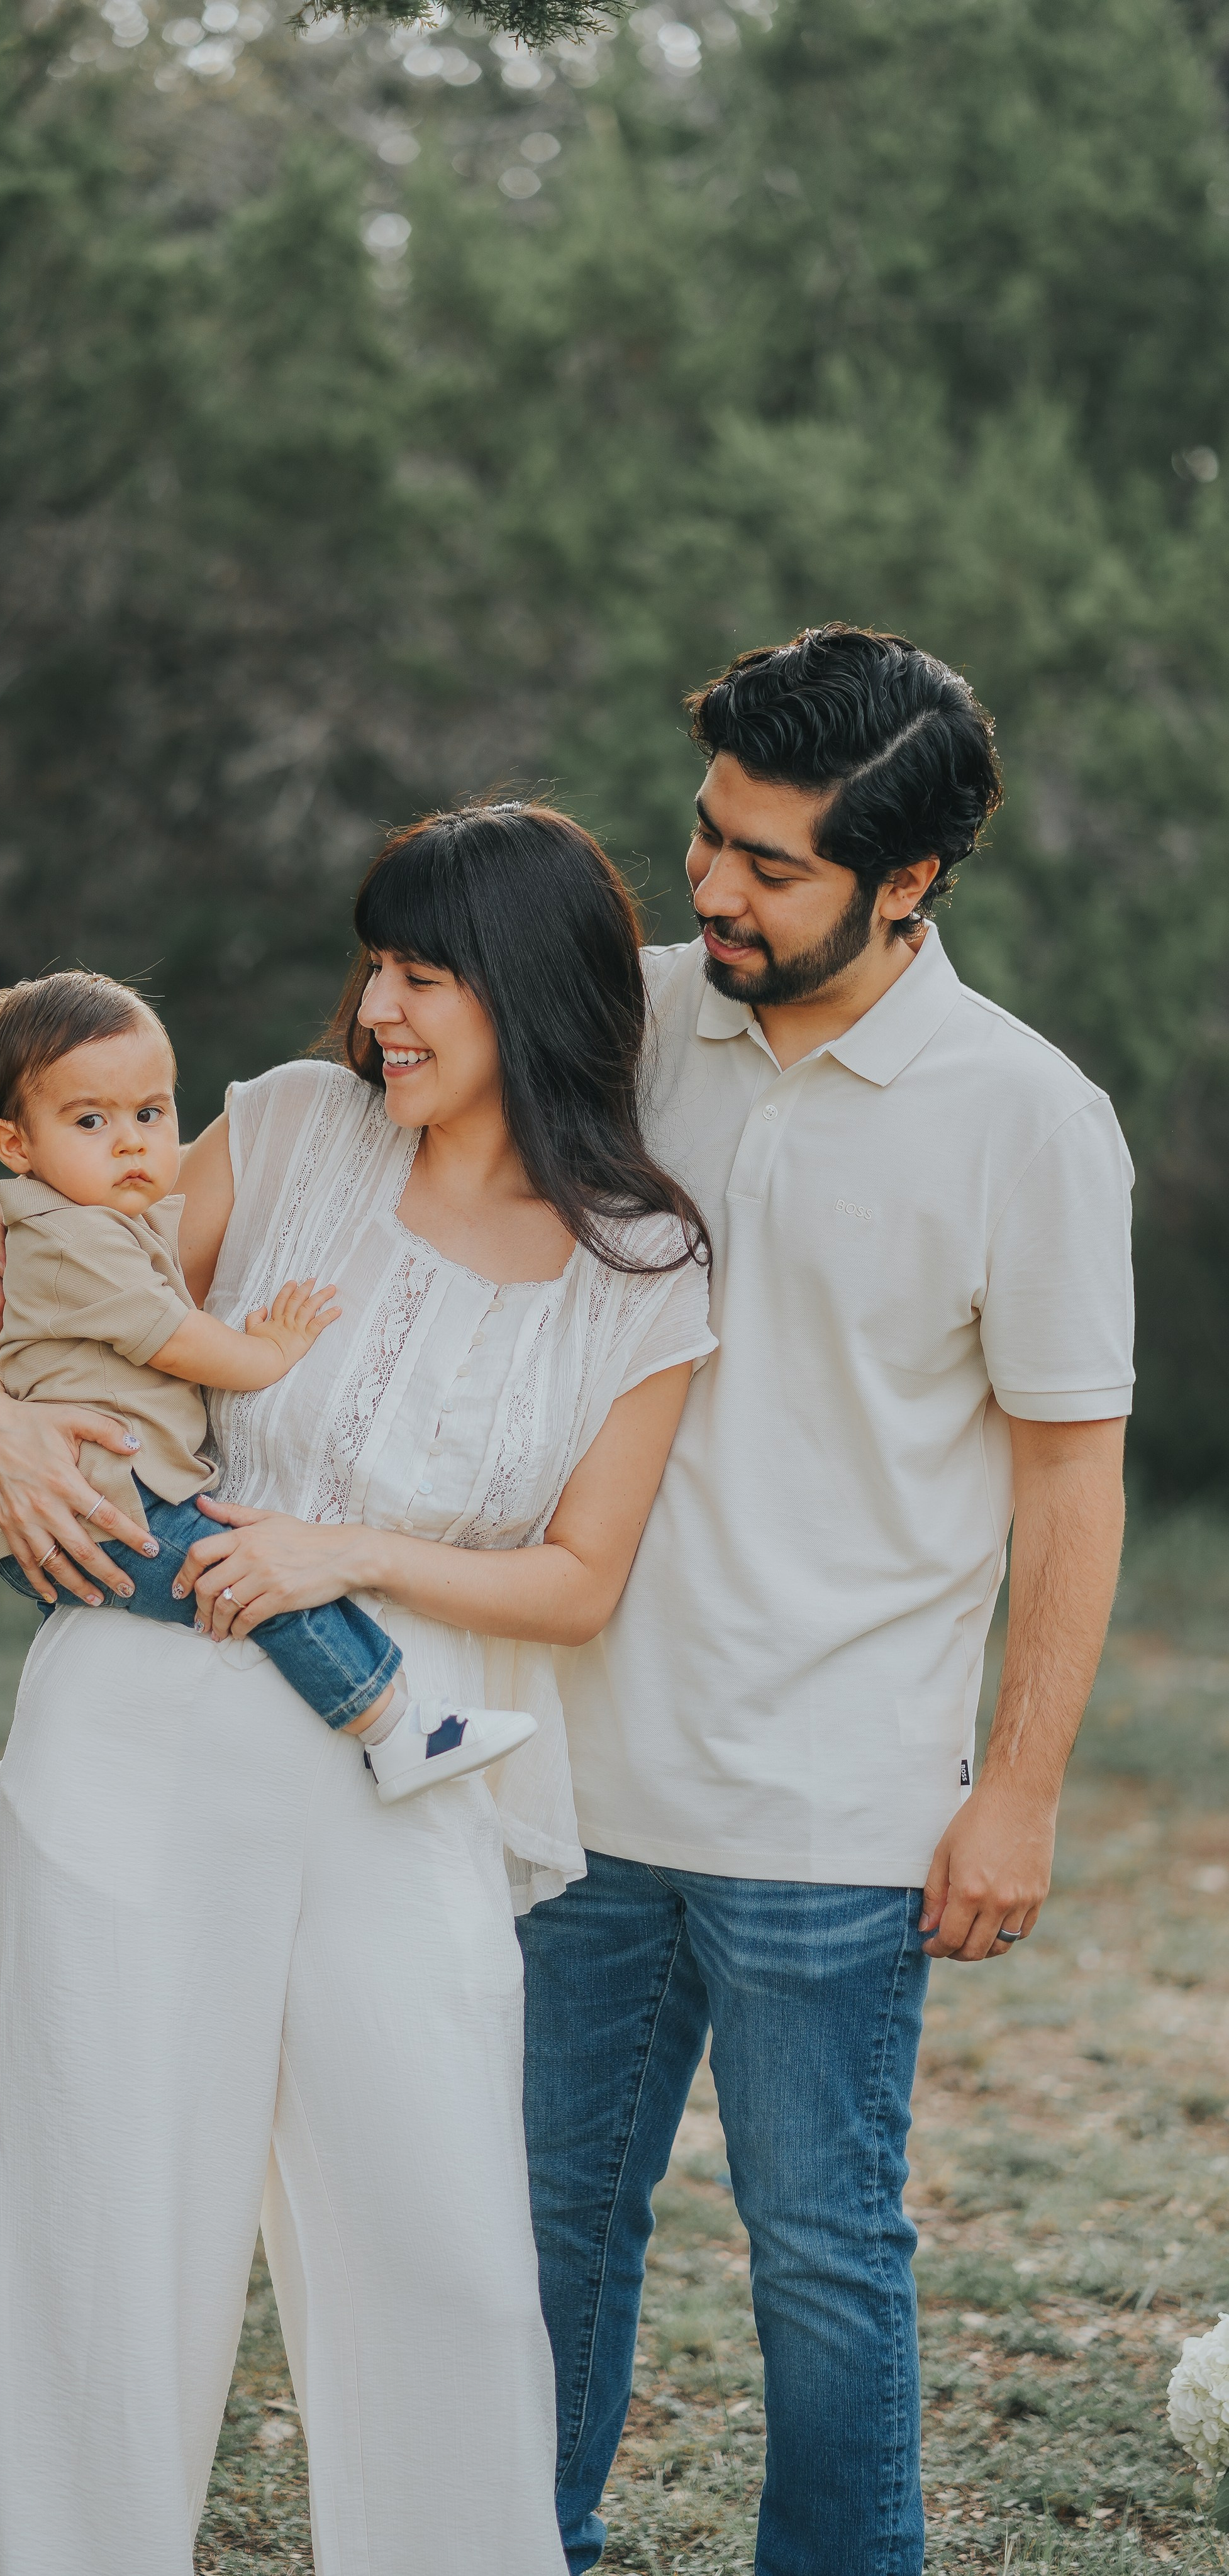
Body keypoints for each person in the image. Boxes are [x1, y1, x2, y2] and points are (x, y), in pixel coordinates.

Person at [0, 802, 716, 2576]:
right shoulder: (293, 1126)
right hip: (139, 1722)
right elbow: (54, 1284)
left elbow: (579, 1582)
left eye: (423, 975)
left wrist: (346, 1554)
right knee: (100, 2215)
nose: (376, 1009)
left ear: (530, 990)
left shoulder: (645, 1266)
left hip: (404, 1769)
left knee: (441, 2246)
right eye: (375, 967)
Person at [520, 626, 1135, 2576]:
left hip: (835, 1808)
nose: (711, 886)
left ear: (909, 875)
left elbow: (1070, 1476)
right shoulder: (618, 1015)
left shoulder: (1025, 1115)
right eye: (707, 834)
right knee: (539, 2227)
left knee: (823, 2261)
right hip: (565, 1775)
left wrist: (1016, 1791)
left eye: (770, 865)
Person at [0, 967, 537, 1801]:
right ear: (14, 1145)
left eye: (150, 1113)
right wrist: (270, 1349)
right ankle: (393, 1731)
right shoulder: (84, 1241)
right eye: (90, 1120)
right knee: (260, 1579)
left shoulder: (67, 1224)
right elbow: (181, 1342)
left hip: (104, 1500)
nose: (130, 1143)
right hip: (116, 1501)